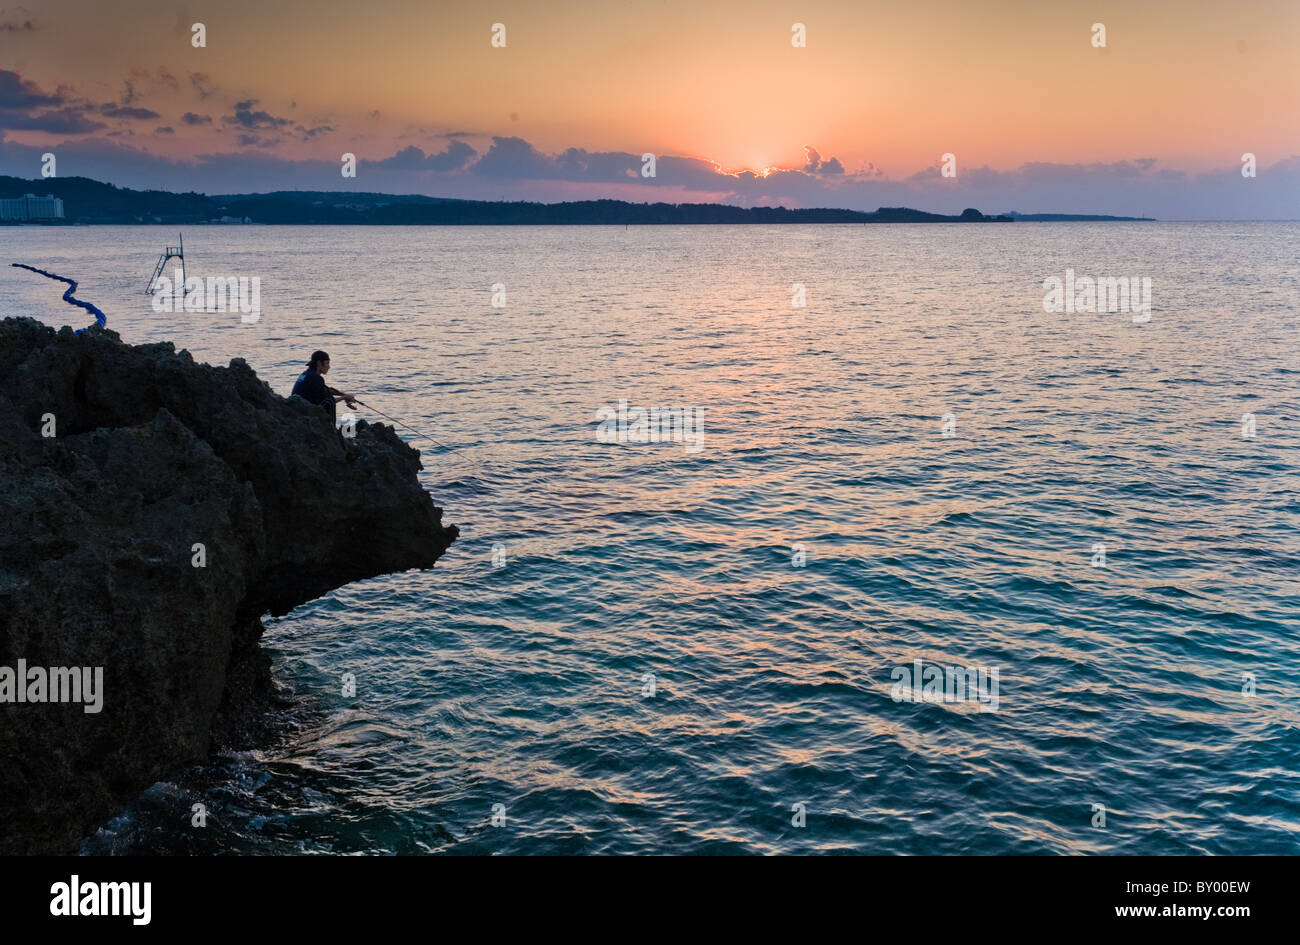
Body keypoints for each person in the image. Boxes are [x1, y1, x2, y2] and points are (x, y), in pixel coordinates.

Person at [291, 350, 358, 420]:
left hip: (297, 407)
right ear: (319, 363)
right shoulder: (316, 378)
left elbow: (327, 389)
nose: (329, 367)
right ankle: (331, 428)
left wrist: (345, 395)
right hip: (303, 411)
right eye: (327, 363)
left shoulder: (307, 374)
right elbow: (329, 399)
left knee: (328, 398)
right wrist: (344, 397)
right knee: (330, 402)